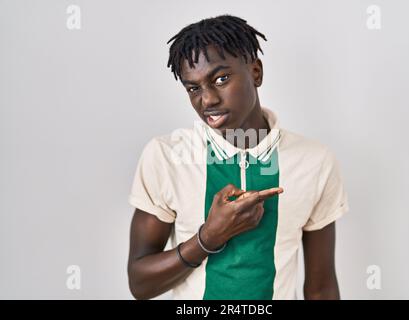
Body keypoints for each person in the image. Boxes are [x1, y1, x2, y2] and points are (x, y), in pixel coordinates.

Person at [127, 14, 349, 300]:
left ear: (256, 72)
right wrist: (208, 238)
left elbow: (321, 289)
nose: (207, 100)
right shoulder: (166, 156)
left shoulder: (314, 161)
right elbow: (140, 285)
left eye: (220, 79)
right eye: (193, 88)